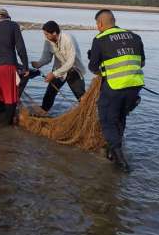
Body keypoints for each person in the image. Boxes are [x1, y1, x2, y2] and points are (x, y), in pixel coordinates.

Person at [88, 9, 145, 172]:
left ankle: (120, 161)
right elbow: (141, 63)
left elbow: (93, 67)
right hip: (135, 87)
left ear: (100, 24)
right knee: (120, 117)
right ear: (114, 20)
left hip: (114, 87)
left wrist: (102, 69)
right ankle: (113, 151)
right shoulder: (134, 36)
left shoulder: (99, 39)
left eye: (96, 25)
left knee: (107, 120)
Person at [31, 20, 86, 113]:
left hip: (74, 71)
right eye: (44, 34)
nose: (45, 37)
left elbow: (70, 62)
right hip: (58, 69)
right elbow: (47, 58)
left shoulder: (68, 39)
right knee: (49, 94)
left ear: (54, 33)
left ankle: (86, 116)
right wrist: (38, 63)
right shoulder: (48, 40)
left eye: (47, 34)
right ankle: (43, 112)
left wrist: (54, 74)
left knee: (81, 97)